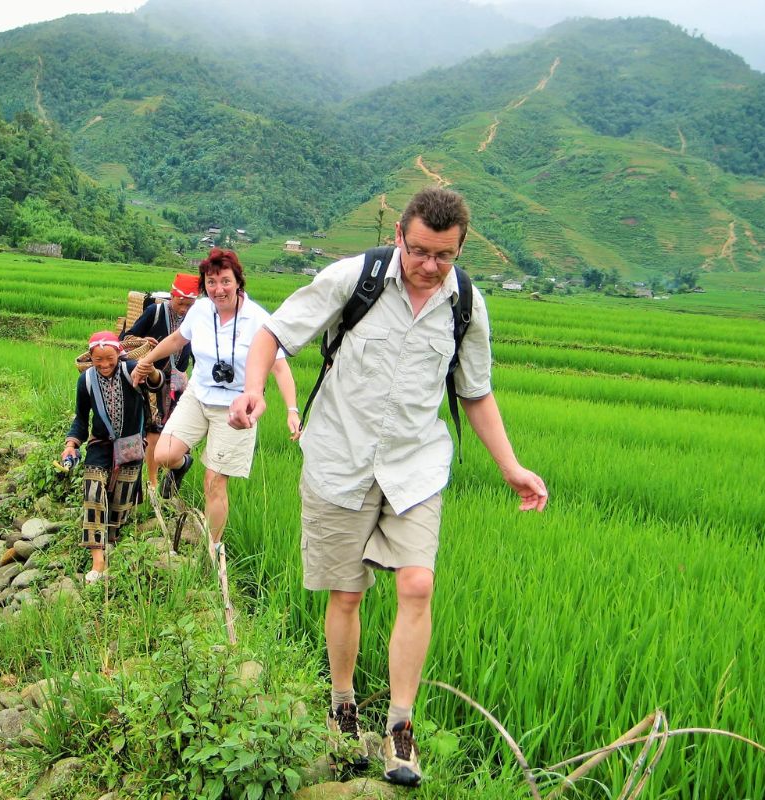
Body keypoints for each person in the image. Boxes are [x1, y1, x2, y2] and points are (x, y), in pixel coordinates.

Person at [228, 187, 548, 787]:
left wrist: (511, 466)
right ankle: (343, 706)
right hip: (338, 460)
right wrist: (255, 391)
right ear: (400, 235)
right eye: (420, 250)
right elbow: (272, 335)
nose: (430, 266)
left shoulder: (468, 307)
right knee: (346, 596)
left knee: (418, 584)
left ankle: (401, 728)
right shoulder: (356, 278)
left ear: (461, 249)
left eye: (445, 256)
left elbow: (475, 392)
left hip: (416, 466)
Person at [137, 248, 301, 547]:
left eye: (225, 281)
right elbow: (177, 339)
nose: (218, 289)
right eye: (211, 282)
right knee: (164, 455)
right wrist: (147, 360)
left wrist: (292, 409)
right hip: (198, 396)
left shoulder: (259, 322)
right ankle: (184, 462)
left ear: (239, 281)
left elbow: (280, 367)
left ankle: (213, 548)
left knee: (214, 482)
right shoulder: (200, 310)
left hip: (236, 408)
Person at [63, 331, 163, 583]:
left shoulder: (132, 369)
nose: (105, 364)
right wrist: (71, 444)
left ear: (119, 354)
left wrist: (149, 370)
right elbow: (80, 419)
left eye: (109, 358)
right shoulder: (85, 381)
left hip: (130, 446)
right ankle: (98, 559)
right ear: (91, 358)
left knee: (120, 503)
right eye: (98, 360)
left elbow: (156, 383)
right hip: (100, 445)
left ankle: (112, 540)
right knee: (94, 494)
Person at [122, 273, 198, 492]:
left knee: (175, 430)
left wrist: (190, 376)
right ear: (172, 295)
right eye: (180, 303)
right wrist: (144, 340)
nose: (183, 309)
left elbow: (199, 353)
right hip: (149, 377)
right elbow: (127, 339)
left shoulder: (198, 320)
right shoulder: (154, 312)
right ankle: (152, 481)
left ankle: (175, 468)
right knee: (152, 430)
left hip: (177, 383)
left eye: (189, 305)